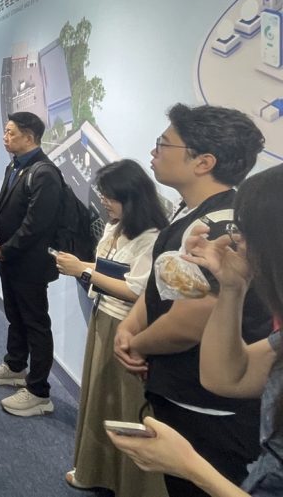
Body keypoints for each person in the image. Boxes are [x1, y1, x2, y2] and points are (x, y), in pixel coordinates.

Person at [114, 104, 269, 497]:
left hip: (209, 406)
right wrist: (130, 325)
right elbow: (165, 283)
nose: (154, 152)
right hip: (182, 390)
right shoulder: (192, 212)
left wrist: (136, 344)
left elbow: (192, 319)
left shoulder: (220, 225)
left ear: (204, 162)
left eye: (163, 143)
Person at [54, 160, 169, 496]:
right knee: (99, 399)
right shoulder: (115, 227)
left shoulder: (152, 239)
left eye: (110, 196)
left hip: (127, 326)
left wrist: (83, 271)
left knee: (126, 404)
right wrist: (82, 265)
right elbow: (109, 269)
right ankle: (95, 471)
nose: (104, 201)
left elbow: (137, 290)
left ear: (132, 197)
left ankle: (128, 484)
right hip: (104, 316)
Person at [0, 111, 61, 416]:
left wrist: (8, 249)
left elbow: (36, 224)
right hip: (10, 258)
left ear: (29, 137)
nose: (5, 137)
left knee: (35, 322)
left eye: (10, 132)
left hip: (31, 263)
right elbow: (1, 205)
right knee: (15, 314)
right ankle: (15, 366)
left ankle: (39, 391)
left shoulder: (45, 173)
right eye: (5, 131)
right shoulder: (15, 165)